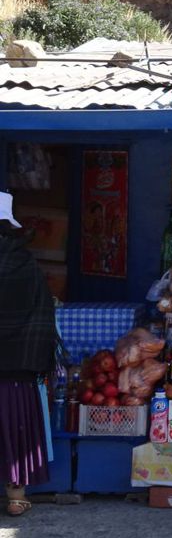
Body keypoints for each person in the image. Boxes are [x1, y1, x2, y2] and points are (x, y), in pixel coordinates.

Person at [0, 192, 61, 516]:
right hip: (17, 369)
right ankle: (16, 496)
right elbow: (42, 313)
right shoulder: (26, 265)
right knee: (16, 427)